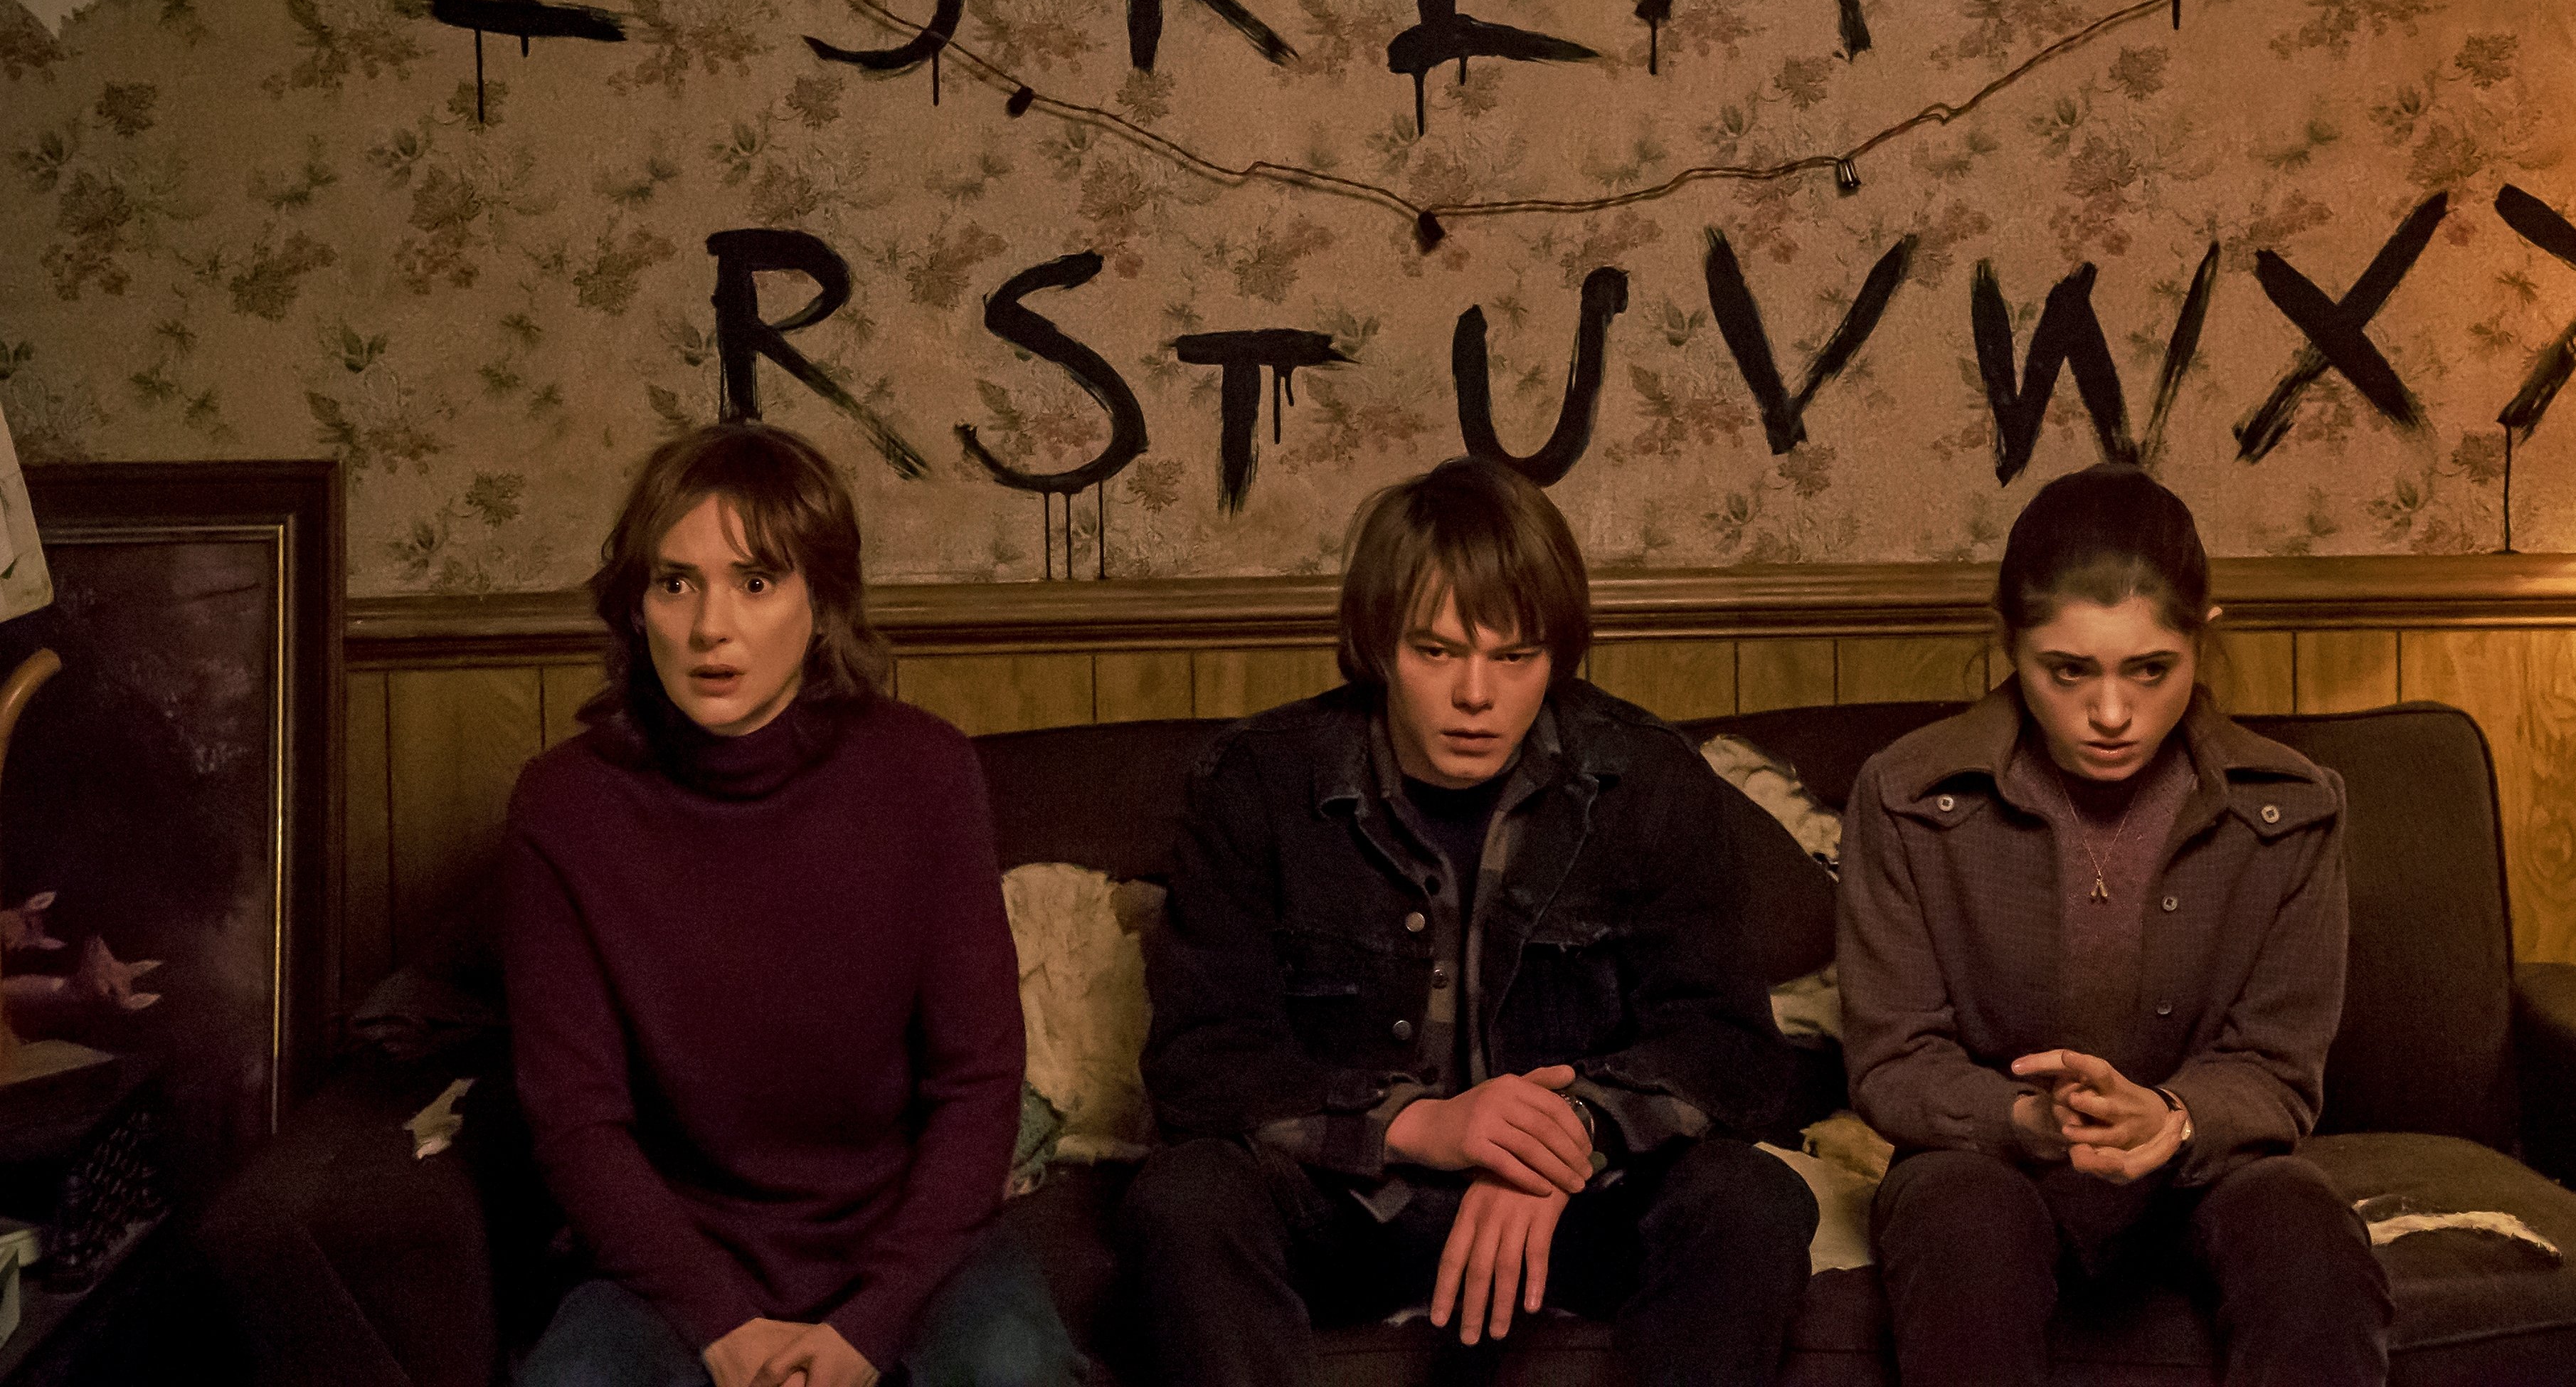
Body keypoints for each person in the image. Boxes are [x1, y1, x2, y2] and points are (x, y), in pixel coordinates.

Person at [1123, 455, 1818, 1387]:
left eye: (1514, 657)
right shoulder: (1259, 781)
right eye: (1437, 652)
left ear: (1555, 656)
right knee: (1182, 1199)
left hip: (1577, 1206)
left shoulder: (1647, 779)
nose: (1476, 697)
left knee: (1753, 1200)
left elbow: (1730, 1050)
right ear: (1378, 645)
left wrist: (1565, 1136)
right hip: (1347, 1201)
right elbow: (1203, 1061)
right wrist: (1420, 1126)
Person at [501, 422, 1083, 1387]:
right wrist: (722, 1325)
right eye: (675, 583)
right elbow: (576, 1123)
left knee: (1012, 1369)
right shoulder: (565, 807)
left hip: (905, 1243)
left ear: (821, 605)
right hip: (675, 1260)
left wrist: (873, 1322)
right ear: (636, 607)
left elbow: (979, 1084)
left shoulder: (924, 773)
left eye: (757, 582)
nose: (710, 627)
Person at [1838, 463, 2391, 1386]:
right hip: (1987, 1168)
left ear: (2203, 638)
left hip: (2203, 1169)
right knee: (1959, 1223)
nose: (2110, 714)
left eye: (2150, 669)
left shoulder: (2293, 806)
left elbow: (2278, 1067)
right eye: (2068, 671)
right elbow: (1893, 1059)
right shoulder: (1905, 793)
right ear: (2008, 643)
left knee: (2303, 1229)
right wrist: (2027, 1120)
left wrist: (2171, 1118)